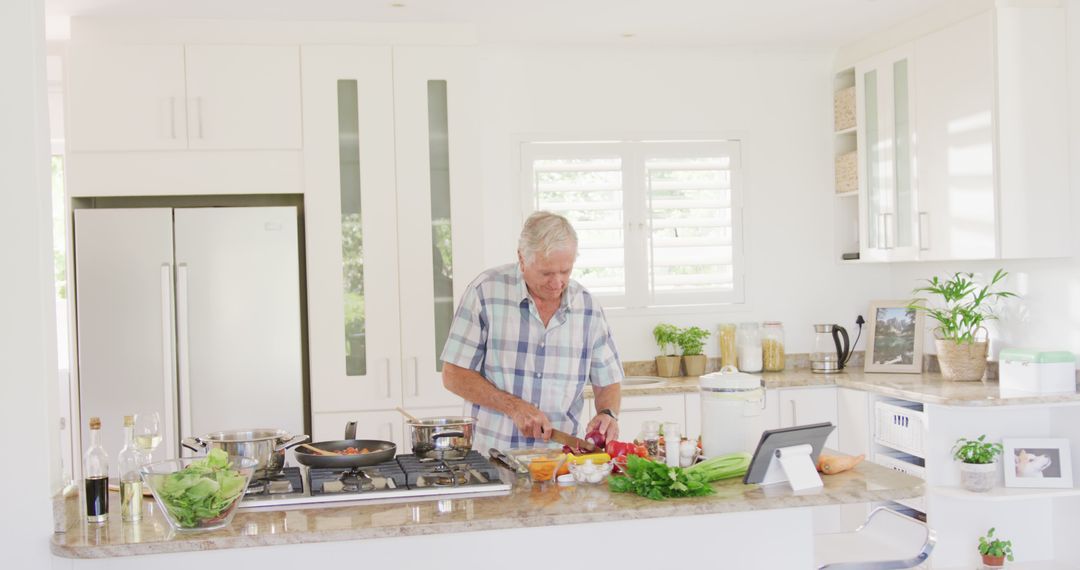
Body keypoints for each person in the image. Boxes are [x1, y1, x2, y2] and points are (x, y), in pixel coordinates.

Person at [441, 211, 623, 451]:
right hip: (494, 457)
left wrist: (608, 413)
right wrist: (513, 406)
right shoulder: (484, 293)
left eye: (565, 271)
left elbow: (608, 380)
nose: (557, 282)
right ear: (522, 259)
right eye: (546, 273)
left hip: (561, 463)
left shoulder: (588, 308)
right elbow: (453, 374)